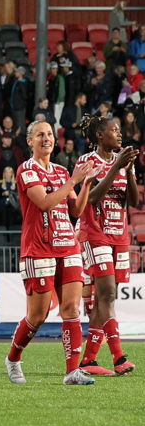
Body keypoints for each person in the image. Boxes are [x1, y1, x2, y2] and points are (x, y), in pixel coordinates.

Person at [5, 121, 96, 386]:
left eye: (50, 134)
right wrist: (74, 180)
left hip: (68, 246)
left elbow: (75, 210)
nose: (47, 138)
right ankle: (13, 359)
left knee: (71, 308)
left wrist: (86, 183)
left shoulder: (61, 171)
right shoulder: (26, 169)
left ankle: (72, 372)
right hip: (38, 249)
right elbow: (44, 203)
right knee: (38, 316)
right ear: (30, 141)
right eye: (40, 135)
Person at [74, 116, 139, 377]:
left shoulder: (122, 163)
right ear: (100, 135)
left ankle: (89, 359)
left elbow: (133, 201)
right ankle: (118, 357)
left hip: (119, 236)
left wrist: (129, 170)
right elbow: (90, 198)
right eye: (115, 130)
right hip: (95, 234)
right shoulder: (86, 161)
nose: (120, 134)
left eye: (120, 130)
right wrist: (116, 167)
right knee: (108, 295)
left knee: (105, 299)